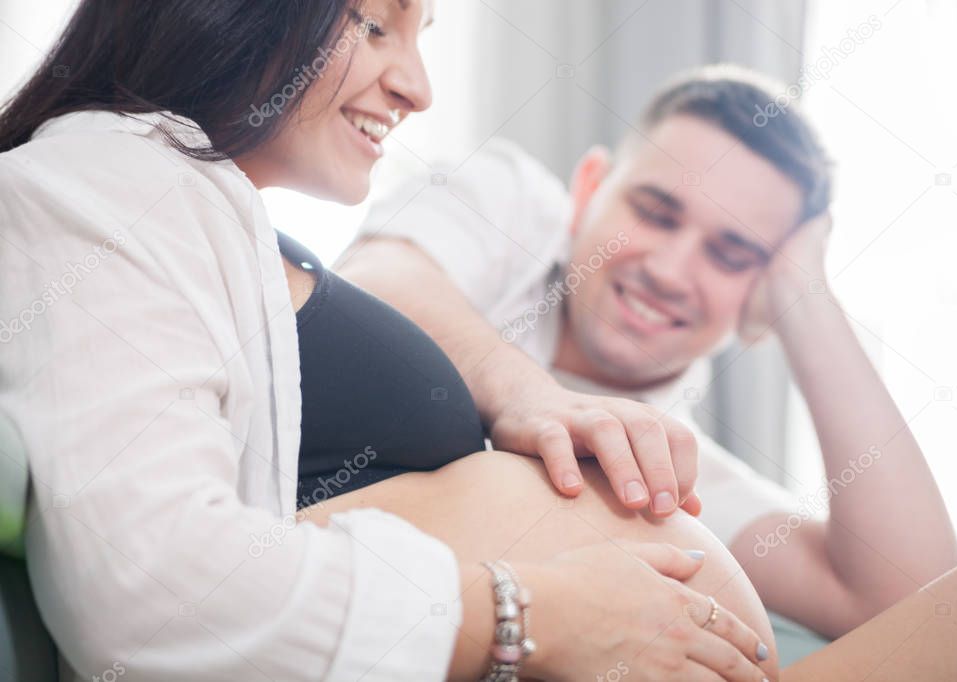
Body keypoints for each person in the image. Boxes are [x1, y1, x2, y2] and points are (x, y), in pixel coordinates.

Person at [0, 1, 779, 681]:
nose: (418, 87)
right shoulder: (104, 170)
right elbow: (152, 590)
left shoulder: (218, 219)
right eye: (376, 25)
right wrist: (527, 616)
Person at [329, 65, 957, 641]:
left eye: (731, 255)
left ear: (760, 306)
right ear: (588, 189)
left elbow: (912, 602)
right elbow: (373, 281)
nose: (669, 269)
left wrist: (807, 297)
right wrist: (530, 398)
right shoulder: (510, 201)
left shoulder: (679, 486)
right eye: (656, 213)